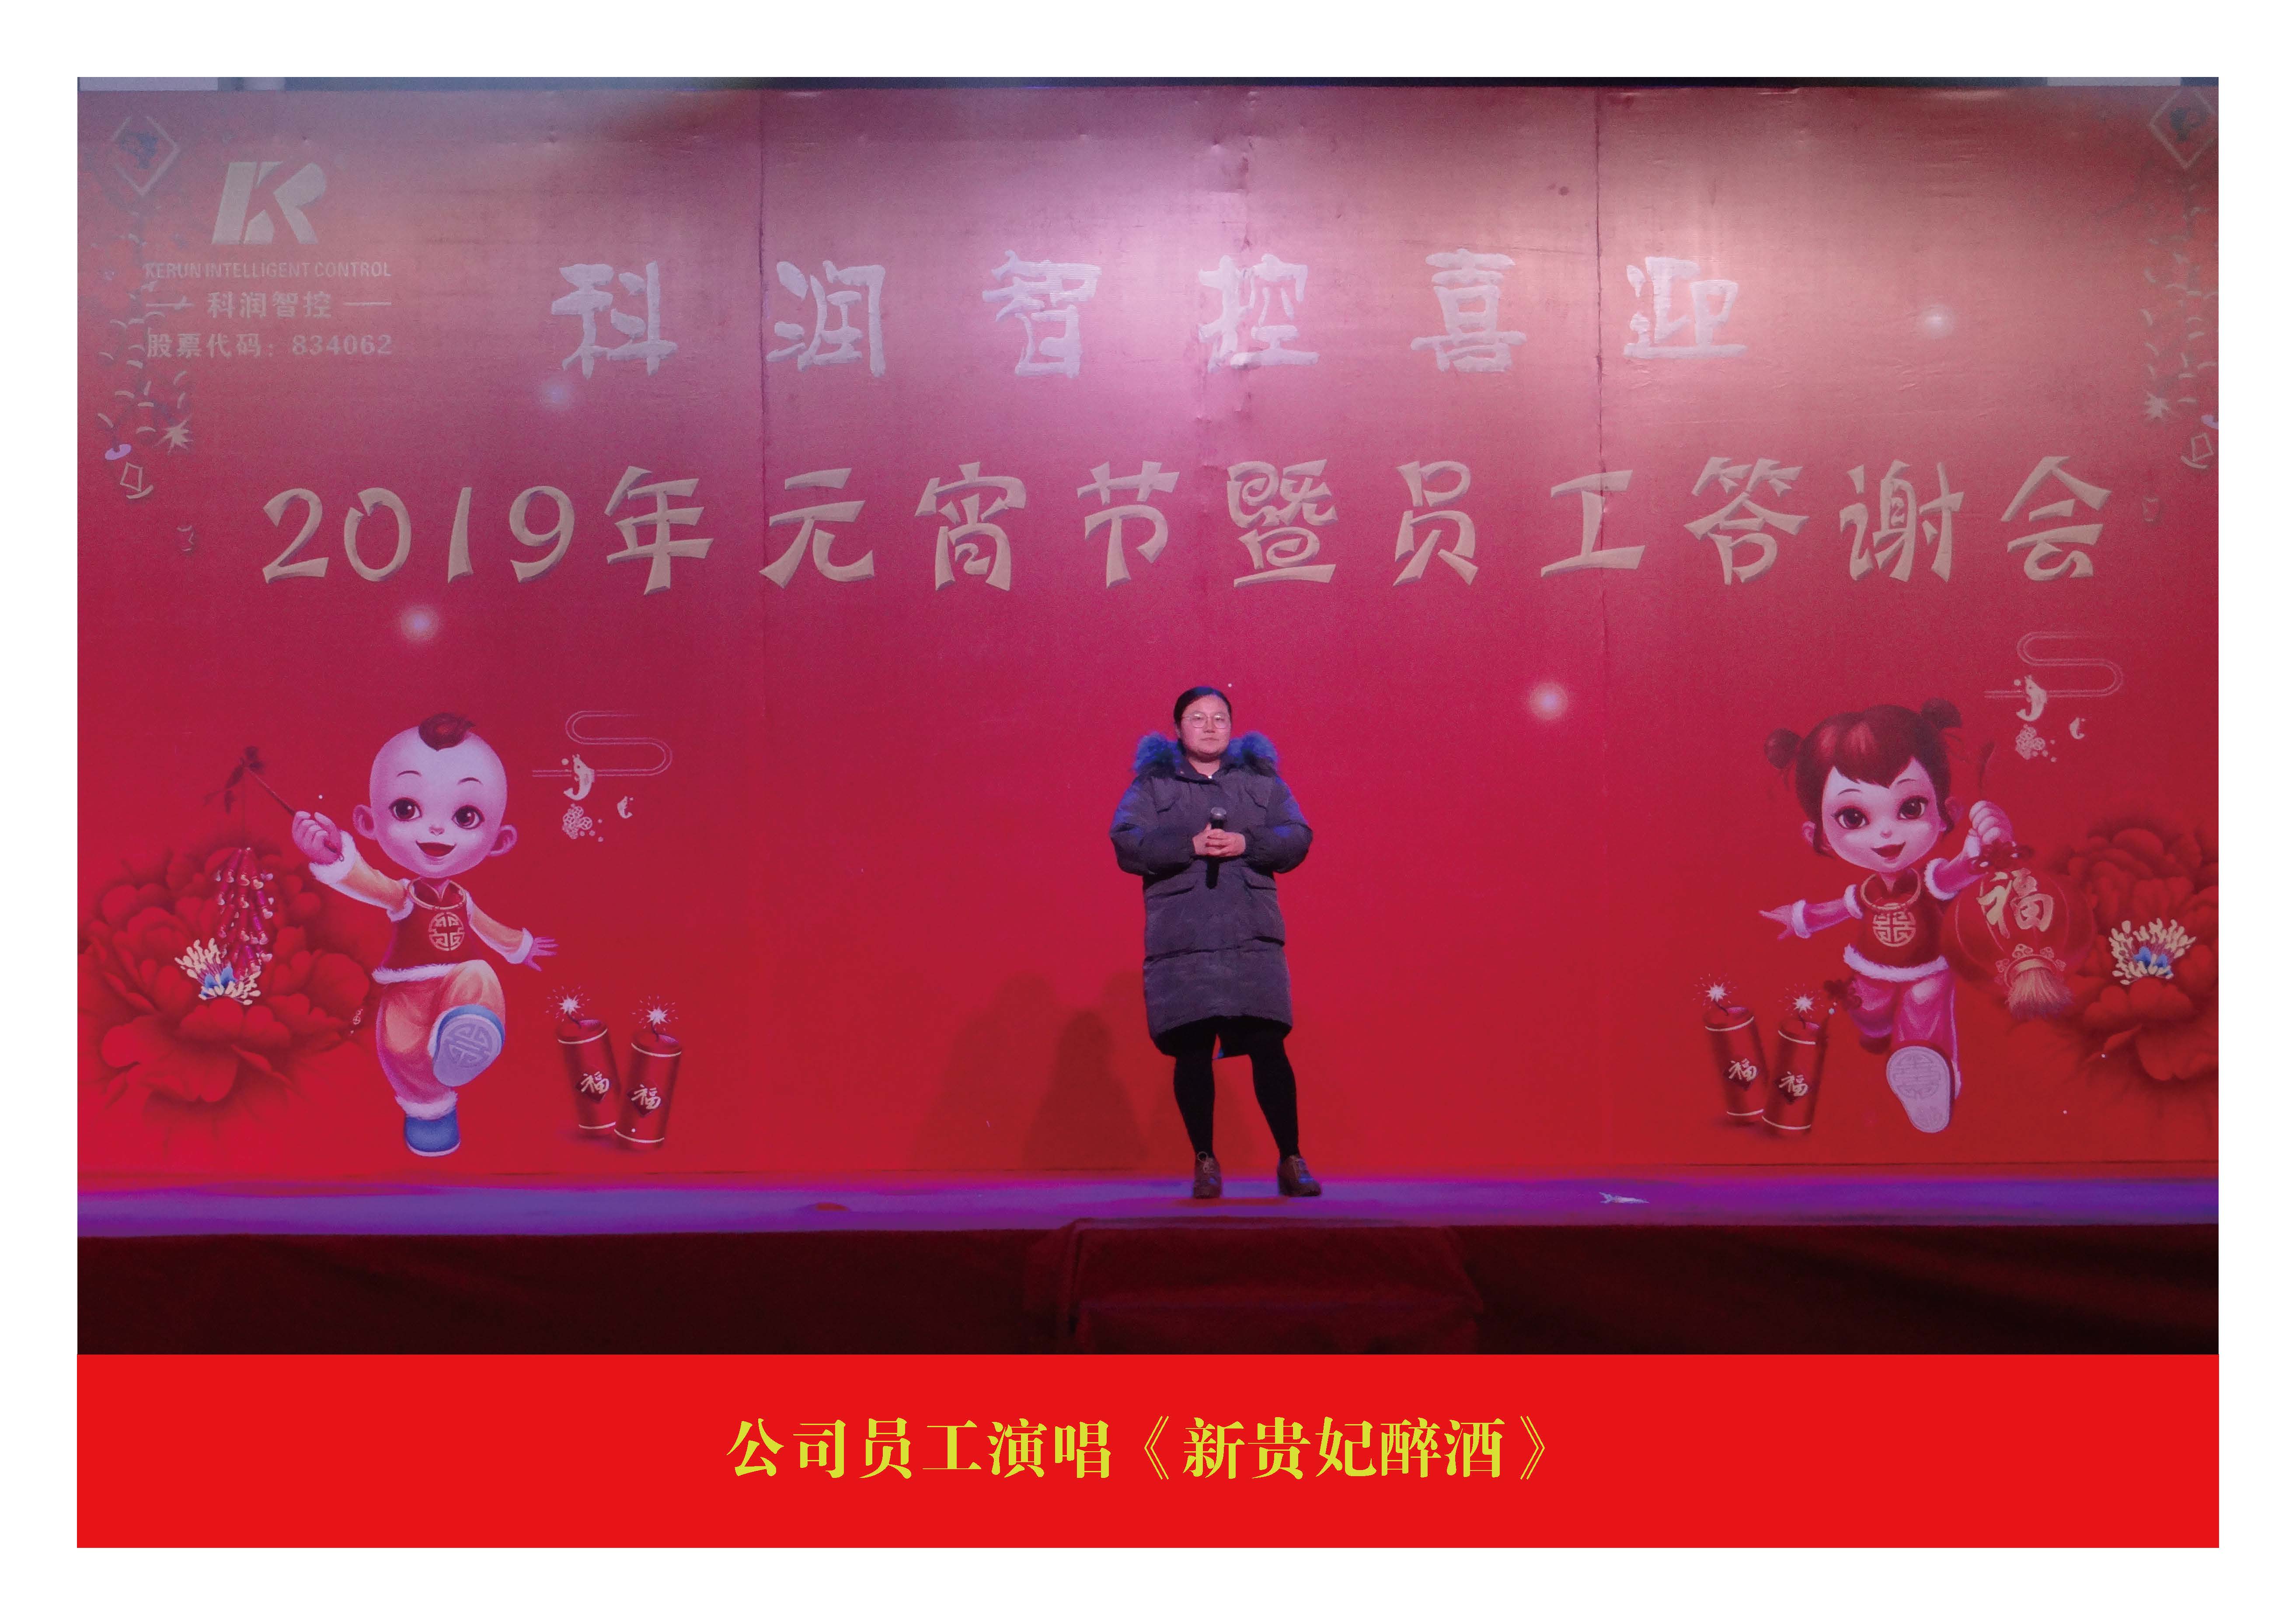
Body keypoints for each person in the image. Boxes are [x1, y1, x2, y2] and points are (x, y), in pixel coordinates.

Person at [290, 712, 557, 1156]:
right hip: (406, 993)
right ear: (368, 822)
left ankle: (470, 1026)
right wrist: (334, 857)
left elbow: (488, 928)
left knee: (479, 975)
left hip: (457, 982)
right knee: (402, 1053)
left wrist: (521, 946)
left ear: (499, 841)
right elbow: (368, 881)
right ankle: (431, 1113)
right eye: (406, 810)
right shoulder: (404, 895)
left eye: (466, 816)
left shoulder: (463, 899)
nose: (436, 829)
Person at [1755, 699, 2015, 1134]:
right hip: (1870, 967)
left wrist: (1984, 848)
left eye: (1910, 808)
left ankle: (1928, 1076)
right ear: (1819, 836)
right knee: (1868, 1007)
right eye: (1853, 817)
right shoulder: (1867, 891)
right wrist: (1800, 918)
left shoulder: (1929, 880)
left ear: (1946, 813)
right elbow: (1838, 908)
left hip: (1928, 966)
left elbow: (1960, 871)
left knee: (1923, 1004)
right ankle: (1875, 1032)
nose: (1886, 832)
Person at [1109, 686, 1320, 1198]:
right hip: (1185, 938)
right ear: (1177, 729)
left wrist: (1248, 842)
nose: (1209, 726)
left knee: (1268, 1044)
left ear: (1232, 726)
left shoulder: (1261, 781)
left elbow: (1297, 835)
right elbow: (1127, 841)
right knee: (1193, 1047)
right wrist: (1189, 845)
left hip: (1249, 934)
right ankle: (1205, 1160)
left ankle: (1291, 1158)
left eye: (1219, 718)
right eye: (1197, 717)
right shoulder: (1153, 785)